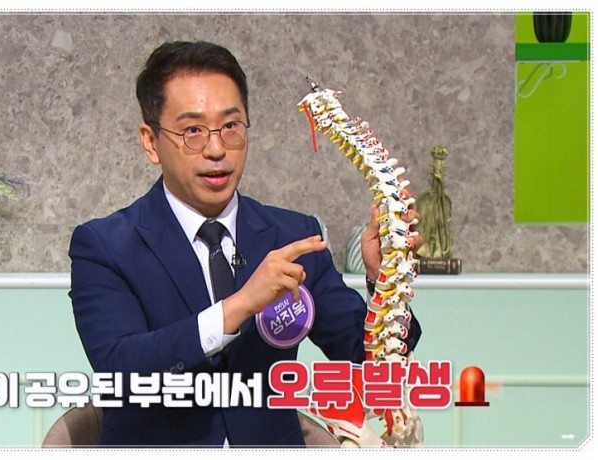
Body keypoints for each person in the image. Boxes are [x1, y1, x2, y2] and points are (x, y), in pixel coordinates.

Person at [68, 40, 422, 447]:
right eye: (192, 131)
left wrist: (385, 283)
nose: (217, 149)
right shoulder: (105, 246)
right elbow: (120, 370)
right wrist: (240, 306)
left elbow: (369, 362)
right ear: (151, 142)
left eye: (231, 126)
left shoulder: (294, 236)